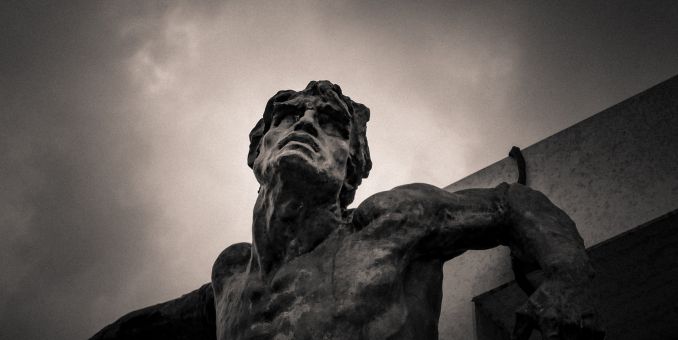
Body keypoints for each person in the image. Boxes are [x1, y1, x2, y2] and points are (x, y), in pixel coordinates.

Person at [92, 81, 602, 340]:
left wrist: (565, 279)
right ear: (257, 152)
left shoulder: (388, 225)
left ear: (352, 167)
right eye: (288, 115)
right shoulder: (230, 275)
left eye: (331, 123)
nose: (306, 124)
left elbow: (510, 202)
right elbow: (138, 331)